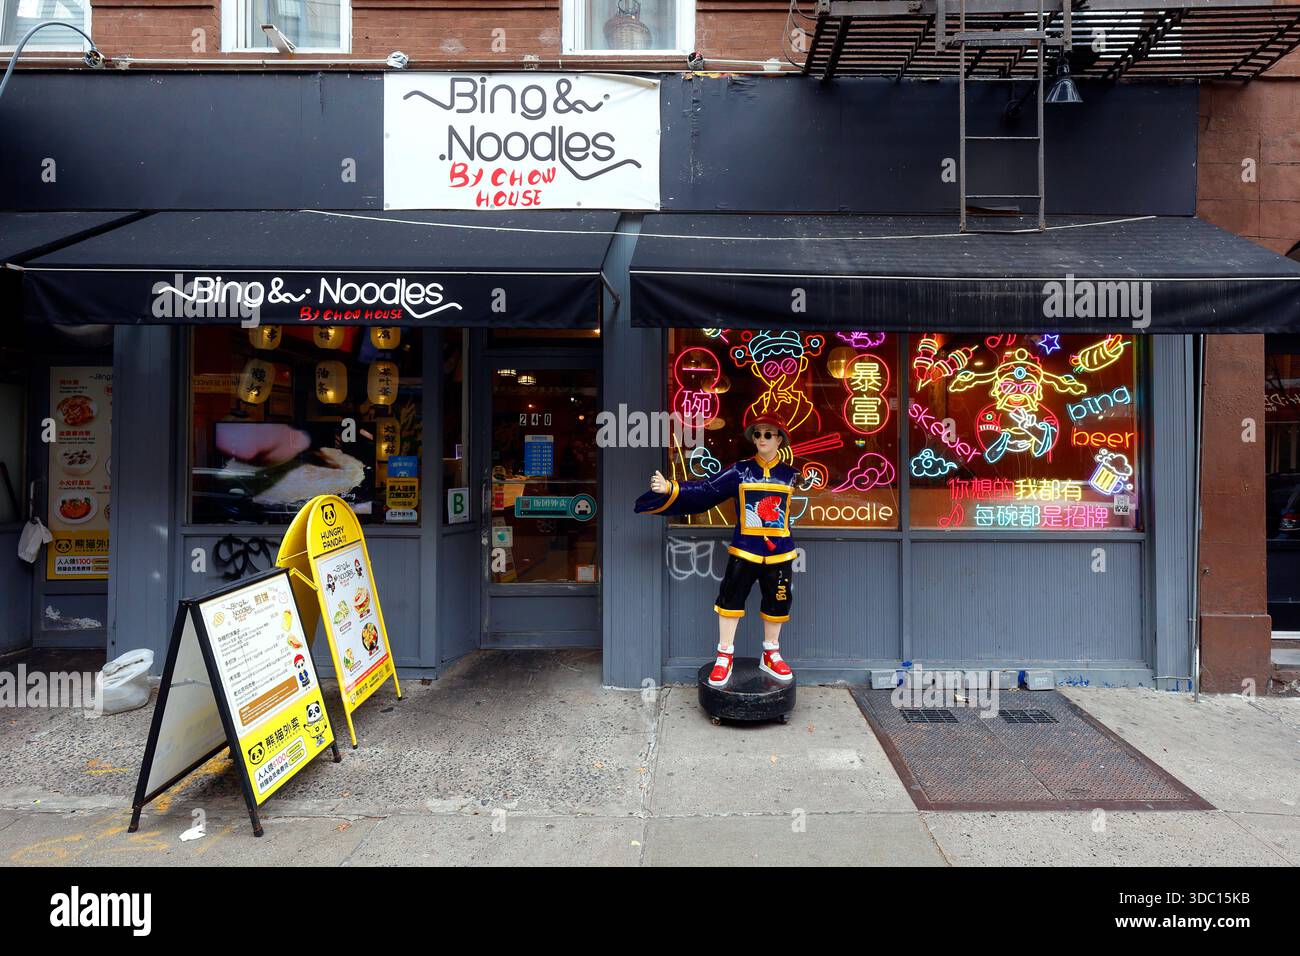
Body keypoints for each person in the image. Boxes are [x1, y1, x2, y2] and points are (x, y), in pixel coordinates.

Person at [635, 414, 799, 688]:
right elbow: (705, 490)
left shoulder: (791, 475)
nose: (761, 439)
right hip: (745, 551)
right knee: (729, 601)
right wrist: (670, 488)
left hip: (780, 554)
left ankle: (771, 653)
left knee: (777, 604)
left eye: (768, 434)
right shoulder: (739, 471)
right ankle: (724, 655)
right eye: (757, 434)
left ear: (779, 439)